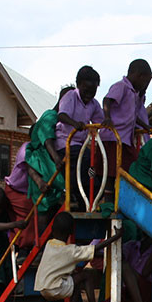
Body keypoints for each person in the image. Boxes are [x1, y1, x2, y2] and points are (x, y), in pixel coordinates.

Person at [98, 59, 152, 196]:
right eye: (144, 81)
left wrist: (145, 126)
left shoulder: (133, 93)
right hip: (112, 137)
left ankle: (123, 196)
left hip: (124, 139)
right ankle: (109, 198)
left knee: (131, 167)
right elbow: (107, 100)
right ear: (138, 76)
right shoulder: (121, 86)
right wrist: (108, 117)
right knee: (111, 170)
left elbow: (133, 116)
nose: (144, 85)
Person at [57, 66, 104, 209]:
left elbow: (100, 122)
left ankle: (93, 193)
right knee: (85, 160)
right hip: (65, 142)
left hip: (81, 146)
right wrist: (74, 123)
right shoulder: (71, 96)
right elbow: (62, 115)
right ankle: (85, 193)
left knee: (96, 160)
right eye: (86, 90)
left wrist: (107, 123)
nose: (89, 94)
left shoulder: (94, 104)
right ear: (78, 85)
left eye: (93, 91)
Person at [27, 86, 71, 235]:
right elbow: (47, 139)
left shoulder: (64, 120)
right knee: (43, 211)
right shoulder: (50, 115)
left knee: (53, 209)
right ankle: (40, 247)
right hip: (43, 169)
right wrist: (57, 158)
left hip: (52, 171)